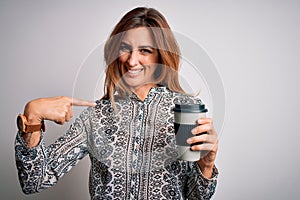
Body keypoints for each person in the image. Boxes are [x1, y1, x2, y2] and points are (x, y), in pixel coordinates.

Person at [15, 7, 219, 199]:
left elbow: (197, 196)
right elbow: (34, 181)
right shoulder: (96, 116)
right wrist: (32, 117)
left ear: (161, 55)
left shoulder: (187, 109)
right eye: (125, 48)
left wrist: (207, 165)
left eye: (145, 51)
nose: (131, 61)